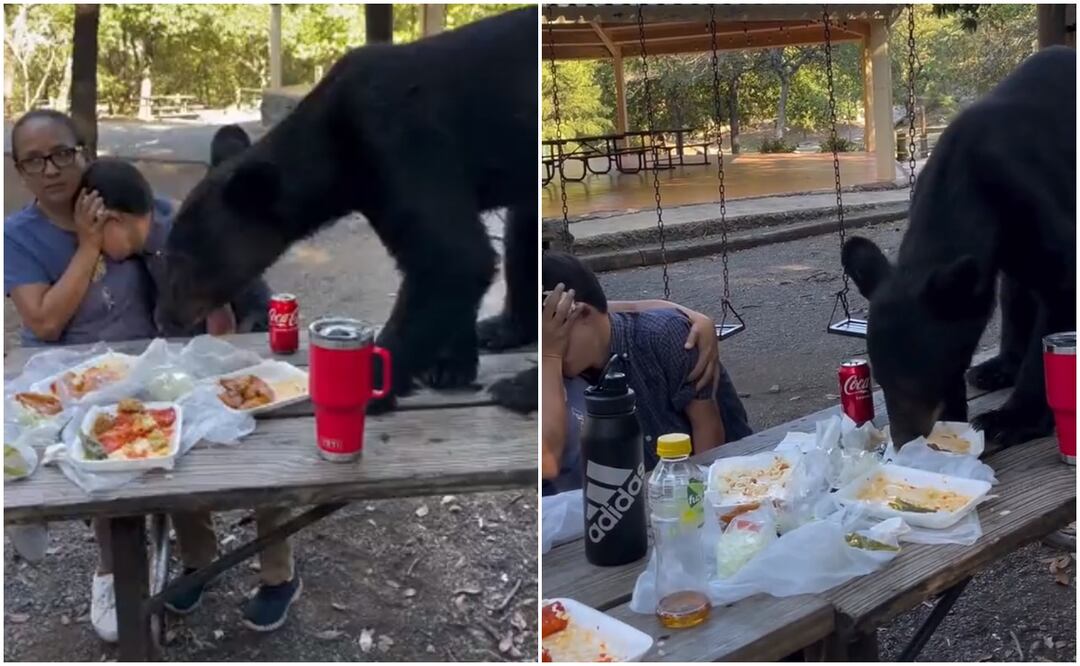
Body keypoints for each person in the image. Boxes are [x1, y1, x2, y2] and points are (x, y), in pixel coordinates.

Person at [76, 157, 304, 633]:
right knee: (175, 452)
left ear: (114, 219)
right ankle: (200, 563)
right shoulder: (147, 233)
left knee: (262, 461)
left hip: (246, 346)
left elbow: (221, 323)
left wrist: (212, 382)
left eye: (98, 234)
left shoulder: (182, 244)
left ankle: (278, 576)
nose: (97, 247)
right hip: (202, 358)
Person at [541, 251, 752, 495]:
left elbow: (709, 431)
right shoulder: (553, 365)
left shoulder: (663, 335)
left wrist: (697, 503)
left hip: (721, 480)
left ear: (583, 314)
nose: (549, 348)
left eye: (553, 338)